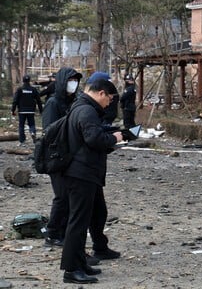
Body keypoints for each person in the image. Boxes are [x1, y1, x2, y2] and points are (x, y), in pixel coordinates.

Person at [61, 79, 123, 284]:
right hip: (81, 173)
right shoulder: (87, 111)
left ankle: (80, 263)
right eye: (110, 99)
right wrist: (115, 139)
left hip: (85, 172)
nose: (110, 103)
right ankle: (71, 270)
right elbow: (93, 140)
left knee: (92, 215)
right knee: (78, 223)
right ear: (102, 93)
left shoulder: (81, 107)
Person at [41, 67, 82, 248]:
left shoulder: (73, 101)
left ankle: (64, 231)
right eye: (70, 80)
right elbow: (49, 131)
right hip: (55, 156)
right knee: (61, 196)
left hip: (69, 155)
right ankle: (52, 233)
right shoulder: (53, 103)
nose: (73, 84)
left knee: (69, 196)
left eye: (76, 80)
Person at [11, 75, 44, 146]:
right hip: (31, 111)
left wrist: (13, 110)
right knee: (31, 124)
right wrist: (41, 110)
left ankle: (22, 141)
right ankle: (32, 132)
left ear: (23, 81)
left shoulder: (19, 89)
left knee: (21, 126)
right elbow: (39, 101)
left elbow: (15, 100)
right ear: (29, 81)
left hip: (22, 111)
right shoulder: (33, 89)